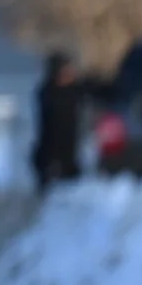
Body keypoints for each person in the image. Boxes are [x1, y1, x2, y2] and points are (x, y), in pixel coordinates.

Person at [32, 51, 84, 190]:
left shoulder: (75, 89)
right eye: (66, 70)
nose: (71, 73)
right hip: (53, 157)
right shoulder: (50, 94)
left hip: (69, 156)